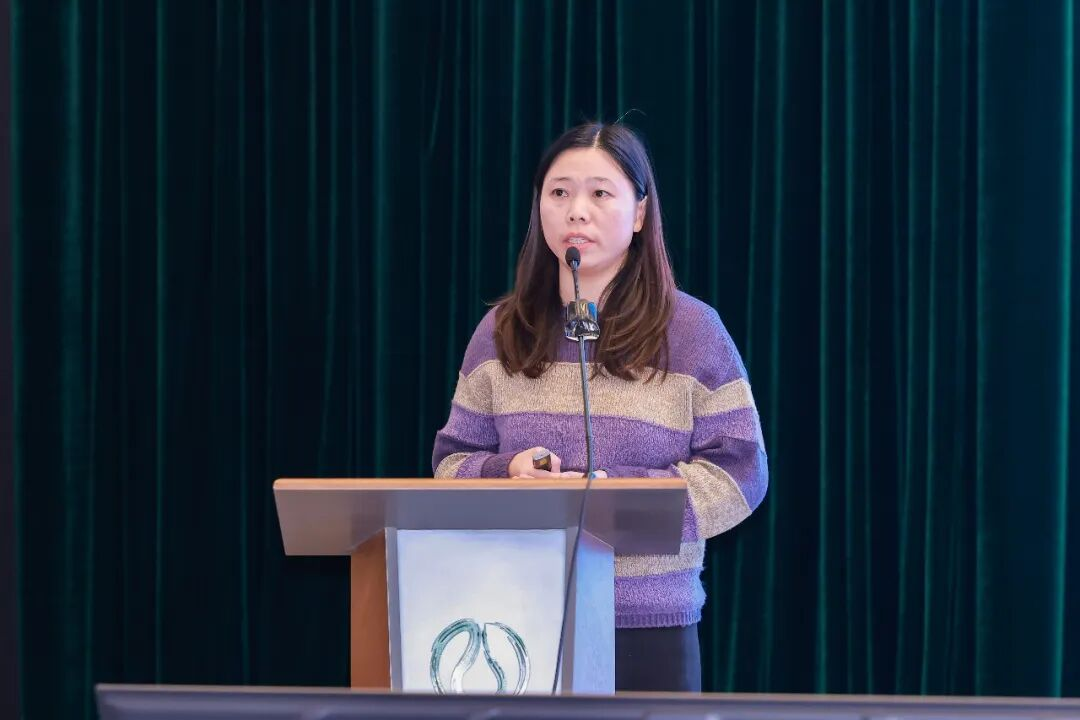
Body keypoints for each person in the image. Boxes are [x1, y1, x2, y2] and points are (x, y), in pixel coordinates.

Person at [431, 121, 768, 693]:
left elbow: (742, 473)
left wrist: (623, 499)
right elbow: (450, 462)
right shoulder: (500, 331)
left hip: (650, 627)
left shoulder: (694, 331)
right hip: (514, 620)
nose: (576, 212)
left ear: (639, 213)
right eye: (559, 192)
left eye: (600, 193)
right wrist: (505, 473)